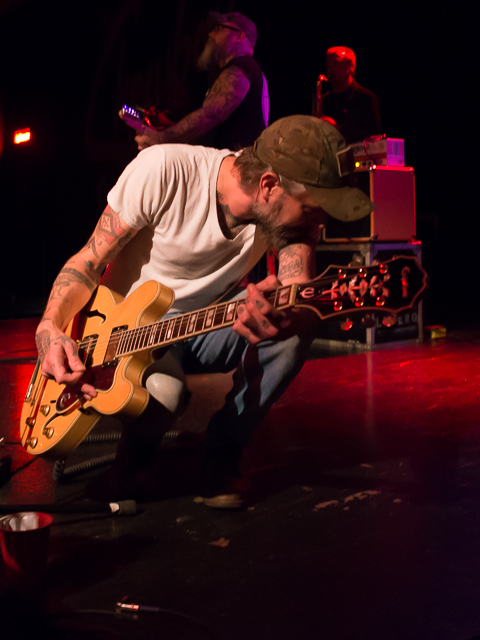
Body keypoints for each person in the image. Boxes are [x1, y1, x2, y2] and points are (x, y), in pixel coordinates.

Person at [37, 116, 373, 509]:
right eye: (313, 209)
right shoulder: (164, 171)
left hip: (204, 326)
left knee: (301, 323)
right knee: (167, 392)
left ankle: (224, 450)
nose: (319, 221)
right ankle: (135, 454)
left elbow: (295, 289)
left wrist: (278, 313)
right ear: (268, 186)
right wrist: (50, 329)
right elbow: (86, 263)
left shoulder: (290, 221)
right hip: (128, 332)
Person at [135, 12, 269, 152]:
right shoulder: (249, 70)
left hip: (234, 167)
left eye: (219, 29)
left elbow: (210, 115)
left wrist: (160, 139)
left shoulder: (241, 68)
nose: (210, 34)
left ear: (239, 36)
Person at [319, 46, 382, 144]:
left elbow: (374, 138)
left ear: (350, 68)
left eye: (336, 63)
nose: (330, 69)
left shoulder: (365, 98)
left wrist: (339, 129)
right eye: (328, 65)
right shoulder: (324, 100)